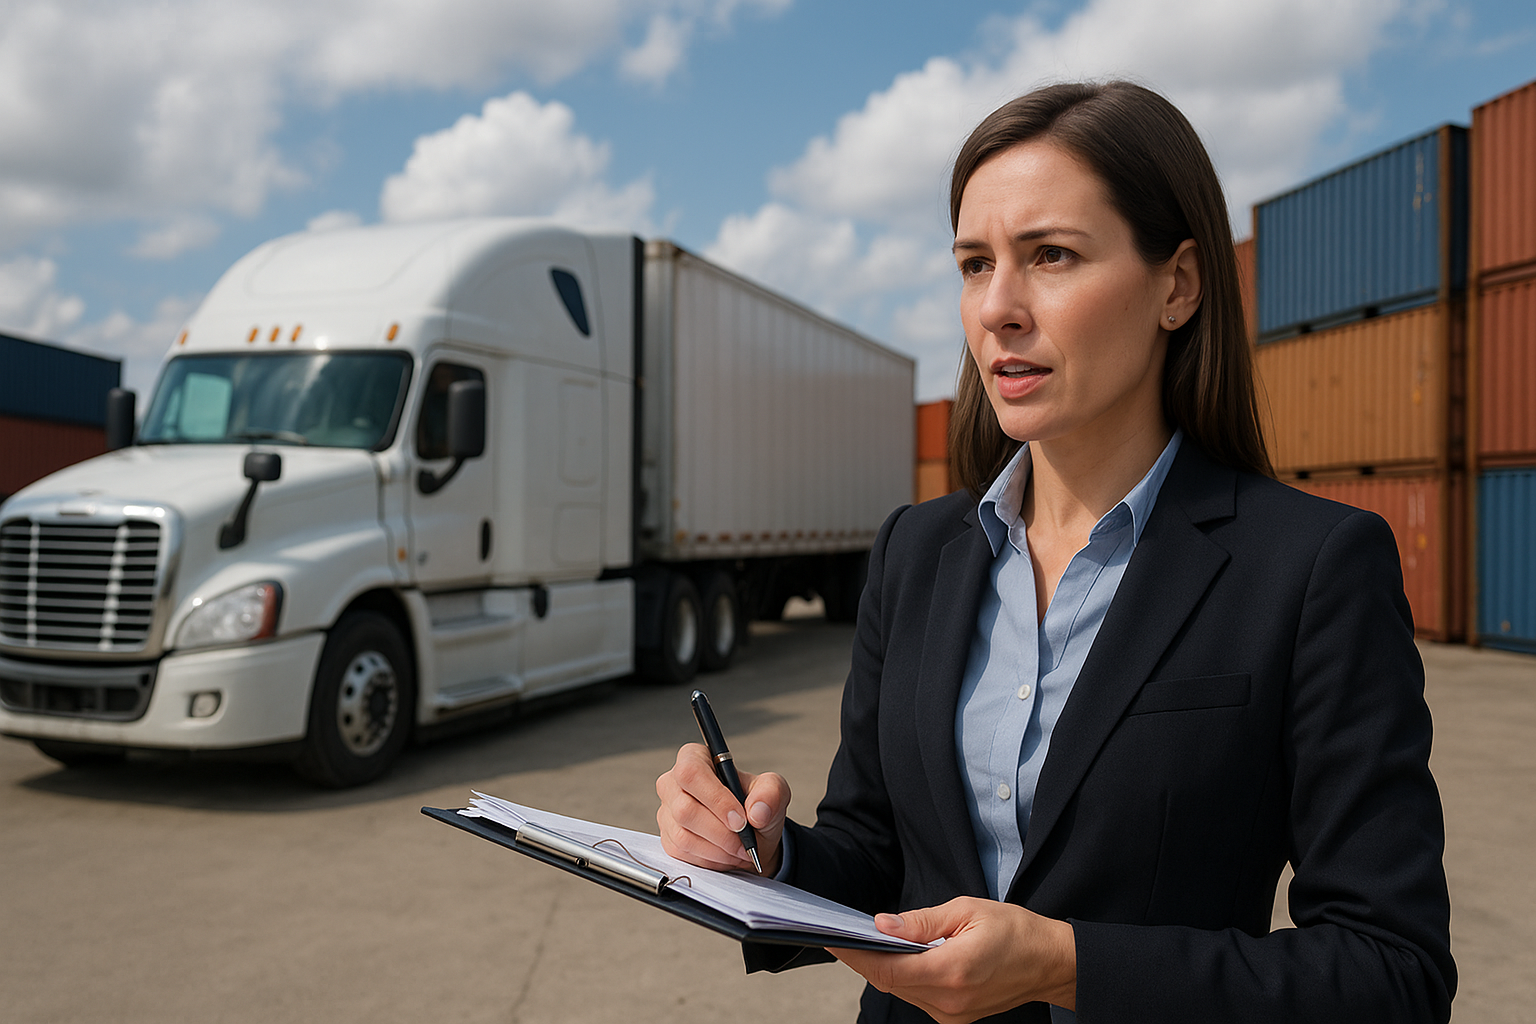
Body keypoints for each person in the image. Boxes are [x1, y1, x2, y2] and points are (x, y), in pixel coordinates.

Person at [656, 81, 1455, 1023]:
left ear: (1178, 286)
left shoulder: (1313, 567)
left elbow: (1389, 972)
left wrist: (1066, 964)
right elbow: (876, 854)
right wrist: (764, 852)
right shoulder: (917, 552)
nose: (997, 307)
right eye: (973, 263)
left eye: (1052, 256)